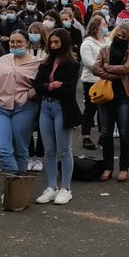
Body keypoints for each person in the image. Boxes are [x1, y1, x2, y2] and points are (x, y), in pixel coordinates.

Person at [33, 30, 80, 204]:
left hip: (62, 108)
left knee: (64, 150)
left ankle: (66, 188)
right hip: (46, 106)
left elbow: (68, 89)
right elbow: (37, 85)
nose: (53, 46)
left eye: (56, 42)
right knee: (49, 150)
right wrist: (52, 86)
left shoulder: (72, 64)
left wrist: (47, 87)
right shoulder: (46, 62)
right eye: (51, 42)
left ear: (64, 43)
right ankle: (51, 187)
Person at [92, 22, 129, 182]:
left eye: (123, 37)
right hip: (106, 95)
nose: (120, 38)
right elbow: (95, 68)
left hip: (124, 95)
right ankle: (108, 167)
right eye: (118, 35)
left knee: (125, 134)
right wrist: (113, 74)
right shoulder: (104, 50)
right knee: (106, 133)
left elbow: (126, 69)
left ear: (128, 38)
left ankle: (124, 168)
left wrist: (107, 68)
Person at [0, 30, 40, 176]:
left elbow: (40, 85)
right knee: (2, 149)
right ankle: (16, 180)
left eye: (19, 42)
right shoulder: (3, 60)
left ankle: (17, 186)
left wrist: (28, 95)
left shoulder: (37, 63)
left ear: (27, 43)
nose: (15, 44)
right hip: (1, 108)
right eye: (12, 42)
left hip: (24, 108)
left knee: (20, 149)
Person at [78, 14, 107, 149]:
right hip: (91, 80)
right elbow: (88, 62)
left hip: (106, 80)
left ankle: (103, 135)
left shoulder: (108, 41)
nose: (106, 26)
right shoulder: (87, 43)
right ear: (96, 27)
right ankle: (86, 136)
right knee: (90, 108)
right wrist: (106, 69)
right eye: (103, 24)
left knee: (104, 109)